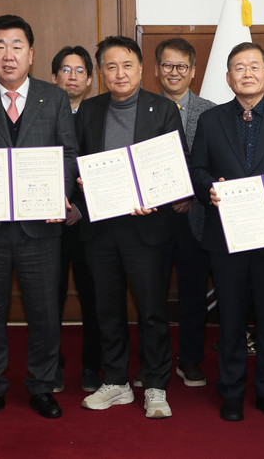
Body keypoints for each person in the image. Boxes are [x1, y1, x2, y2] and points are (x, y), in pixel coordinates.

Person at [0, 15, 79, 420]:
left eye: (16, 46)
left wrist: (60, 194)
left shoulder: (54, 97)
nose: (8, 55)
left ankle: (42, 386)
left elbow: (68, 152)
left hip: (40, 228)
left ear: (31, 53)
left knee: (44, 312)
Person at [191, 41, 264, 422]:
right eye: (239, 68)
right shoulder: (210, 120)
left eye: (254, 66)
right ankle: (230, 391)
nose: (247, 73)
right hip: (226, 237)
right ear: (228, 78)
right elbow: (197, 170)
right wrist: (209, 188)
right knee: (230, 318)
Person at [76, 35, 186, 419]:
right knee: (107, 309)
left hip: (147, 227)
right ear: (100, 73)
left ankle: (155, 385)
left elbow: (177, 164)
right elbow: (74, 159)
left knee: (152, 310)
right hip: (101, 229)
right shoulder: (88, 111)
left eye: (127, 66)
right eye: (111, 66)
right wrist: (79, 181)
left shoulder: (163, 109)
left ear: (141, 70)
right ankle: (116, 382)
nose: (119, 73)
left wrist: (156, 194)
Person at [154, 38, 215, 387]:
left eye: (181, 66)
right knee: (152, 294)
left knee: (194, 293)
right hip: (154, 218)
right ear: (157, 69)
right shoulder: (143, 108)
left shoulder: (211, 111)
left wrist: (189, 192)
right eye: (167, 65)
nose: (174, 72)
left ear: (193, 71)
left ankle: (190, 359)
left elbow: (212, 161)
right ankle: (155, 361)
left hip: (197, 215)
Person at [50, 45, 102, 393]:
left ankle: (91, 366)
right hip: (47, 222)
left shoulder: (99, 114)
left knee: (93, 296)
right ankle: (51, 365)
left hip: (89, 222)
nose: (72, 77)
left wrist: (80, 206)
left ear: (89, 79)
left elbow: (105, 165)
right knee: (49, 297)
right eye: (66, 70)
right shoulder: (40, 112)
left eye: (80, 70)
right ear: (53, 77)